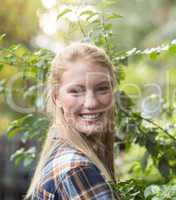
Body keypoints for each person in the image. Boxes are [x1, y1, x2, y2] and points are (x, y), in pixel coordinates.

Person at [24, 42, 118, 200]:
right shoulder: (76, 168)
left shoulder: (61, 150)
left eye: (102, 88)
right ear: (56, 98)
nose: (91, 103)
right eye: (75, 91)